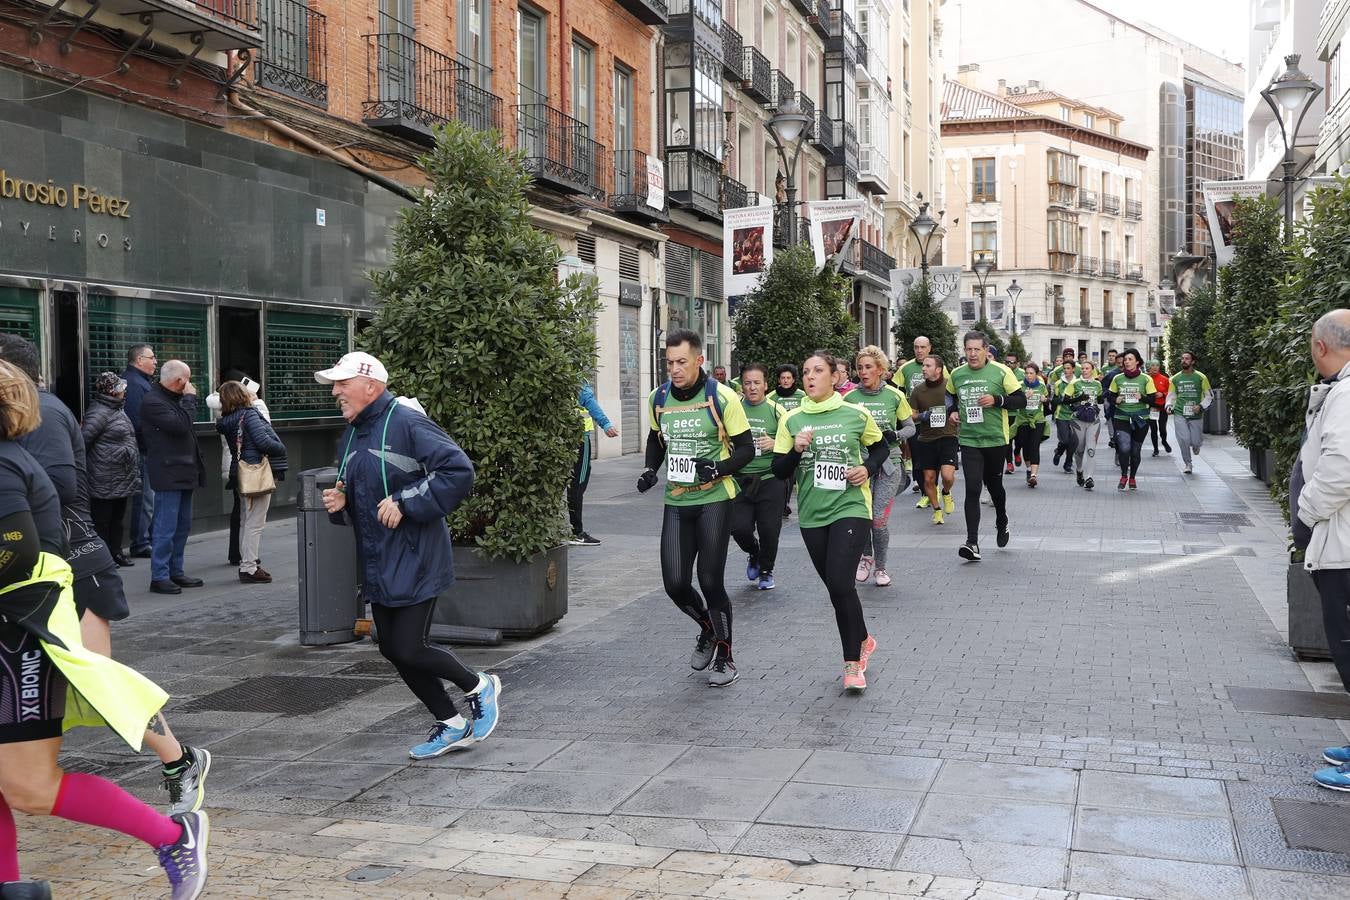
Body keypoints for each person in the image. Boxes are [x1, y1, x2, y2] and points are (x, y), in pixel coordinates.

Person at [0, 360, 209, 899]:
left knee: (30, 786)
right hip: (15, 626)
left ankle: (172, 836)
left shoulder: (2, 465)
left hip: (19, 634)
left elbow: (13, 553)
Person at [317, 351, 500, 759]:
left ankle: (477, 686)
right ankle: (451, 722)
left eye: (342, 383)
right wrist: (340, 500)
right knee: (391, 646)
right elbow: (361, 489)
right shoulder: (352, 433)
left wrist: (406, 500)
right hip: (380, 558)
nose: (335, 391)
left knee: (409, 647)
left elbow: (458, 471)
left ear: (371, 386)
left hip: (417, 556)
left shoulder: (406, 421)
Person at [636, 330, 753, 687]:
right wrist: (649, 469)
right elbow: (656, 440)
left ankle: (725, 656)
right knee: (674, 583)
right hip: (676, 500)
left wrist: (717, 468)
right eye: (669, 362)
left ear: (699, 361)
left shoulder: (722, 397)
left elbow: (747, 450)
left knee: (710, 580)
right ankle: (707, 628)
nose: (674, 369)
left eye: (681, 362)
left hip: (714, 499)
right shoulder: (659, 397)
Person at [772, 351, 887, 691]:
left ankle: (853, 664)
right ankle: (864, 638)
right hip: (812, 513)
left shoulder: (855, 413)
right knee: (839, 588)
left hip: (850, 505)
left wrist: (866, 468)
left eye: (817, 371)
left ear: (834, 377)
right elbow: (778, 471)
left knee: (840, 582)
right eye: (806, 371)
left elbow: (881, 447)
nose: (810, 377)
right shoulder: (791, 420)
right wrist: (795, 449)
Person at [1297, 311, 1350, 791]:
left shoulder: (1347, 395)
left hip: (1345, 545)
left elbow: (1341, 467)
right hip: (1341, 540)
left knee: (1349, 644)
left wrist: (1307, 510)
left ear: (1320, 346)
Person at [947, 331, 1026, 561]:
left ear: (986, 351)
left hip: (995, 439)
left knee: (994, 487)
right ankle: (972, 542)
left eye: (976, 349)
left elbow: (1020, 400)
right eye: (968, 349)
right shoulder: (957, 374)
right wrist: (952, 412)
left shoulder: (1002, 371)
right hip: (969, 439)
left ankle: (1002, 520)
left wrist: (997, 400)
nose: (972, 354)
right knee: (972, 488)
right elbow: (950, 396)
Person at [844, 347, 915, 587]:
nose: (863, 372)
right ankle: (866, 558)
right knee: (863, 516)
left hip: (889, 464)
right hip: (860, 465)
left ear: (881, 370)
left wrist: (893, 433)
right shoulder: (850, 398)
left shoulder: (895, 396)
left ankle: (881, 568)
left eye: (868, 367)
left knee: (878, 519)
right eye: (860, 367)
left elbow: (910, 428)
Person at [137, 361, 205, 595]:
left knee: (182, 526)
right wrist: (189, 399)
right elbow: (180, 425)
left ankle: (176, 570)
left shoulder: (171, 399)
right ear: (180, 381)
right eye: (187, 380)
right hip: (167, 471)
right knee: (165, 526)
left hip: (184, 469)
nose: (190, 386)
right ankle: (160, 576)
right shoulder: (153, 401)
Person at [217, 382, 288, 584]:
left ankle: (248, 563)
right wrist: (281, 447)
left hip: (240, 472)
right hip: (255, 471)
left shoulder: (227, 420)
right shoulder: (248, 415)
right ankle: (248, 567)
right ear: (242, 395)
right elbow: (263, 442)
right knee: (255, 522)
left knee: (246, 520)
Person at [730, 364, 787, 591]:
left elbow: (791, 443)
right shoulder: (733, 409)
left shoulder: (777, 411)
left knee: (769, 529)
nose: (752, 388)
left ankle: (766, 570)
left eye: (756, 383)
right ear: (741, 385)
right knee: (738, 527)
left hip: (769, 479)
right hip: (740, 479)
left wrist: (776, 444)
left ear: (765, 385)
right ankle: (754, 551)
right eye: (747, 383)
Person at [205, 372, 270, 567]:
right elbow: (266, 436)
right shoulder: (253, 409)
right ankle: (249, 557)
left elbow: (212, 399)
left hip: (232, 465)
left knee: (240, 511)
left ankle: (236, 553)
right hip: (251, 466)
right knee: (252, 516)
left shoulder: (223, 409)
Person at [82, 373, 140, 568]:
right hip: (104, 475)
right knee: (102, 520)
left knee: (117, 519)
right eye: (121, 388)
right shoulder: (99, 412)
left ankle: (116, 553)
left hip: (120, 475)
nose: (125, 391)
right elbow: (83, 441)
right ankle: (104, 557)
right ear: (112, 391)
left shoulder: (116, 409)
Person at [908, 354, 958, 525]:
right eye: (923, 366)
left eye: (928, 366)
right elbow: (911, 416)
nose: (923, 369)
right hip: (926, 438)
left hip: (948, 436)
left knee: (947, 476)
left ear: (938, 369)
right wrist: (924, 415)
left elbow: (958, 407)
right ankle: (937, 510)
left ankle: (946, 492)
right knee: (929, 479)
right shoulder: (918, 390)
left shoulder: (949, 387)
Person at [569, 381, 618, 546]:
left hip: (560, 438)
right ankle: (576, 532)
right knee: (578, 483)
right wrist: (606, 424)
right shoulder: (577, 380)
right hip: (579, 439)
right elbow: (590, 403)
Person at [897, 338, 944, 502]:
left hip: (936, 421)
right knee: (917, 459)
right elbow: (898, 393)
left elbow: (949, 390)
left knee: (935, 458)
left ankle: (934, 489)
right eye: (916, 347)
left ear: (929, 348)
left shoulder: (939, 366)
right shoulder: (905, 368)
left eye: (923, 347)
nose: (919, 350)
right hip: (914, 421)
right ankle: (925, 492)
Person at [122, 344, 157, 559]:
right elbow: (137, 421)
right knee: (145, 498)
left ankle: (146, 539)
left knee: (148, 497)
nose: (155, 361)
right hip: (143, 449)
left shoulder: (141, 382)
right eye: (151, 357)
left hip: (147, 448)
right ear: (138, 360)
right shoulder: (134, 384)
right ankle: (141, 542)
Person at [1106, 349, 1155, 491]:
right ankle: (1123, 475)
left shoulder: (1146, 379)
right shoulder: (1118, 378)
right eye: (1125, 359)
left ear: (1137, 361)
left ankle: (1132, 476)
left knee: (1135, 451)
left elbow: (1152, 400)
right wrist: (1116, 399)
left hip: (1140, 419)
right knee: (1124, 447)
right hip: (1121, 417)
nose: (1126, 362)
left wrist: (1142, 397)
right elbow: (1110, 396)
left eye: (1130, 359)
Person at [1168, 352, 1212, 474]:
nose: (1184, 360)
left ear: (1192, 362)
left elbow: (1209, 396)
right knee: (1184, 439)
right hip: (1179, 412)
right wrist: (1168, 406)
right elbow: (1171, 395)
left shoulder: (1201, 377)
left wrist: (1201, 406)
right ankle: (1188, 463)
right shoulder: (1175, 378)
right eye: (1182, 358)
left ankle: (1197, 445)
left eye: (1187, 359)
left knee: (1195, 441)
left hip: (1196, 414)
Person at [1063, 358, 1104, 490]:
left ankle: (1089, 477)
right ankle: (1079, 470)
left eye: (1088, 368)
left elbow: (1100, 400)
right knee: (1080, 450)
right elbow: (1065, 401)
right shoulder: (1074, 383)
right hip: (1078, 420)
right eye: (1083, 368)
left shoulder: (1097, 384)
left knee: (1091, 450)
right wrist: (1079, 399)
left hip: (1093, 420)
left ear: (1093, 370)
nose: (1085, 370)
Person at [1012, 364, 1048, 488]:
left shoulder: (1042, 386)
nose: (1028, 375)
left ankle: (1033, 475)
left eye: (1031, 373)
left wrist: (1045, 400)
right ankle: (1028, 469)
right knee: (1025, 446)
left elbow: (1048, 402)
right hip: (1023, 420)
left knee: (1034, 446)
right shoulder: (1019, 386)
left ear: (1036, 374)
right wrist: (1024, 397)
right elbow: (1014, 402)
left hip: (1037, 420)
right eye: (1026, 373)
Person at [1050, 359, 1078, 474]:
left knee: (1074, 442)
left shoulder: (1078, 382)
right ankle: (1059, 451)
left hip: (1075, 416)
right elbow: (1054, 399)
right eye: (1064, 368)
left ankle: (1068, 463)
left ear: (1073, 369)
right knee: (1065, 440)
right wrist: (1062, 400)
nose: (1066, 371)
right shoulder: (1058, 384)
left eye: (1068, 368)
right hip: (1061, 415)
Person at [1147, 360, 1172, 456]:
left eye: (1157, 365)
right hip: (1152, 407)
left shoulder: (1165, 379)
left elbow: (1170, 392)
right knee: (1153, 429)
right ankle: (1155, 449)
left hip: (1162, 407)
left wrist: (1162, 393)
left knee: (1162, 429)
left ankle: (1164, 441)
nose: (1155, 367)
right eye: (1153, 365)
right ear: (1149, 367)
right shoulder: (1146, 379)